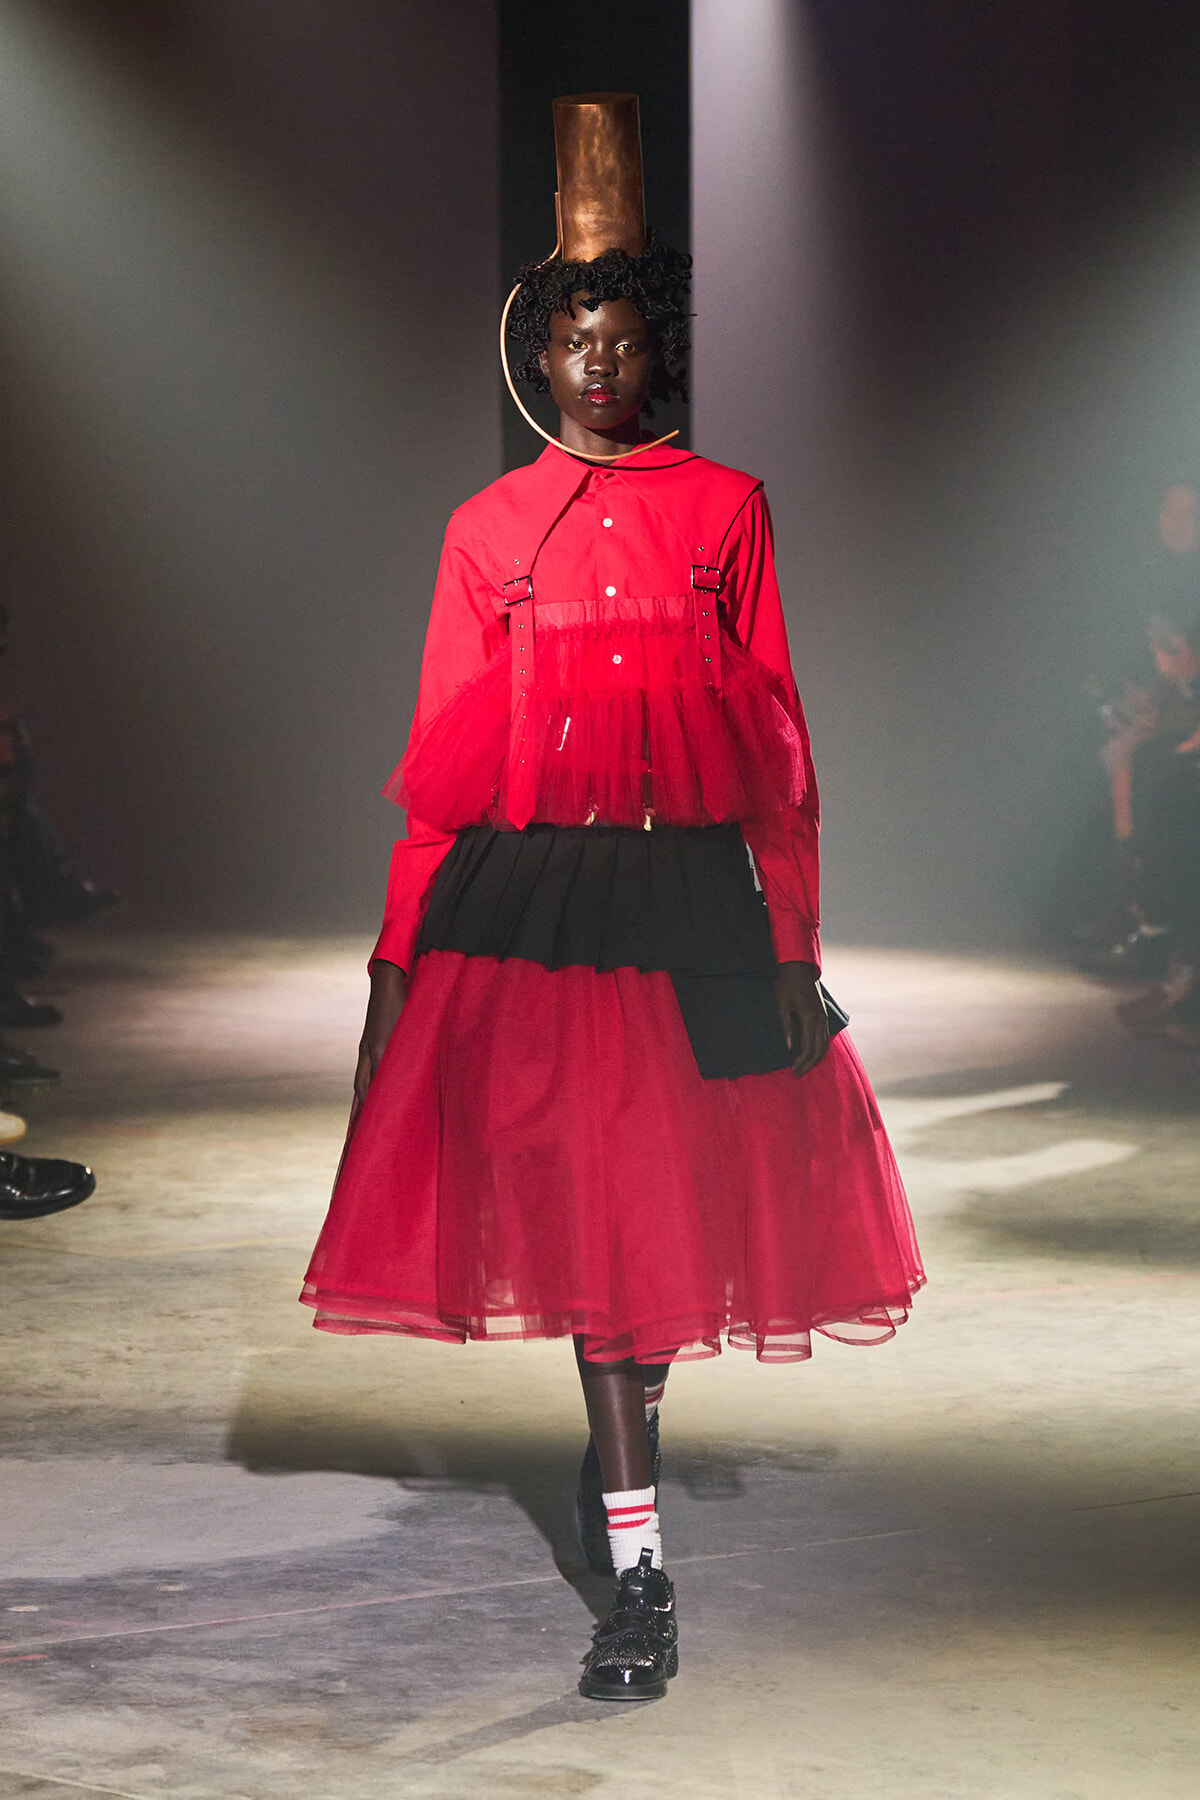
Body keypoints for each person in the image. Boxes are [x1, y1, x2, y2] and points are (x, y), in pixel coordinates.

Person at [301, 94, 923, 1702]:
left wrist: (794, 933)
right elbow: (443, 764)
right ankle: (640, 1577)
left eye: (623, 333)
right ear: (542, 348)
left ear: (661, 353)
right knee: (597, 1235)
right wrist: (394, 961)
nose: (597, 360)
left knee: (652, 1246)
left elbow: (779, 742)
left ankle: (625, 1467)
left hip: (692, 900)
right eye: (574, 332)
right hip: (542, 913)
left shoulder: (726, 509)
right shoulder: (486, 530)